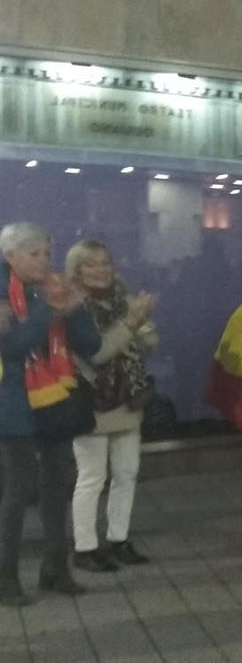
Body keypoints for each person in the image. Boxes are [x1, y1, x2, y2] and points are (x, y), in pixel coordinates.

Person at [0, 223, 103, 603]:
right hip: (12, 407)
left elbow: (90, 345)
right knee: (17, 492)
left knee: (58, 485)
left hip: (56, 401)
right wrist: (50, 310)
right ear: (10, 257)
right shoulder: (2, 292)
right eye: (33, 253)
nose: (44, 260)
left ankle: (55, 569)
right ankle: (6, 578)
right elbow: (12, 347)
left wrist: (74, 311)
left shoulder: (55, 288)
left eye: (46, 252)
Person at [65, 240, 158, 573]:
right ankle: (85, 547)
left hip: (127, 399)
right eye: (91, 264)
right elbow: (99, 352)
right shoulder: (72, 306)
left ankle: (119, 539)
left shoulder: (123, 298)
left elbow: (150, 342)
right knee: (92, 477)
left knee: (127, 473)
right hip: (91, 401)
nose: (101, 270)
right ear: (76, 270)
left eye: (105, 262)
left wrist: (139, 320)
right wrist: (131, 324)